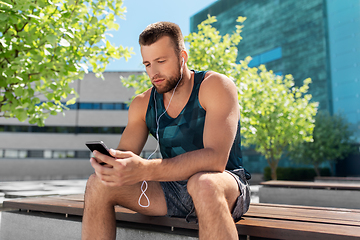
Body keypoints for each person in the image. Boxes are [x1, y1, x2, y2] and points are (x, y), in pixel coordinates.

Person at [81, 21, 251, 240]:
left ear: (183, 57)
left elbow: (216, 159)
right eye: (148, 64)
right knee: (98, 183)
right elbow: (125, 157)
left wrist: (145, 169)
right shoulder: (143, 104)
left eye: (161, 61)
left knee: (203, 183)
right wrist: (112, 166)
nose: (154, 72)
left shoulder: (215, 86)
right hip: (170, 190)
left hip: (223, 184)